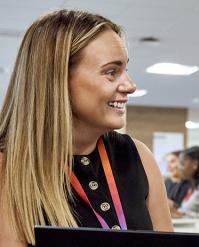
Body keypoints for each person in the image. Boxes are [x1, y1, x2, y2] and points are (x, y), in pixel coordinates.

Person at [0, 9, 173, 246]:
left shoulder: (139, 156)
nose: (130, 85)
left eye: (125, 70)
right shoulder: (8, 168)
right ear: (58, 78)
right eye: (111, 72)